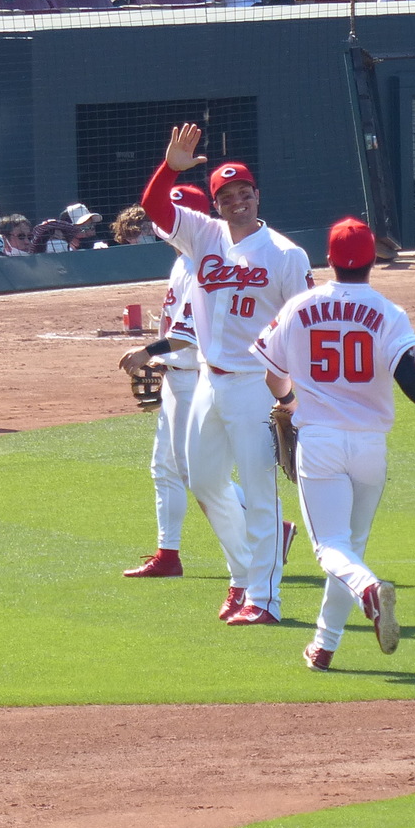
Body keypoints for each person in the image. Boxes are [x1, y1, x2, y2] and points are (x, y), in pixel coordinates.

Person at [259, 216, 415, 670]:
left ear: (330, 259)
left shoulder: (300, 306)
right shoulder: (388, 312)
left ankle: (368, 592)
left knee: (331, 551)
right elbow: (408, 375)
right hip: (370, 449)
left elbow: (272, 373)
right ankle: (324, 646)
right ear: (372, 261)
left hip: (320, 443)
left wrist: (288, 400)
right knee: (350, 547)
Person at [139, 123, 311, 625]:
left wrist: (296, 397)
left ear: (257, 196)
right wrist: (171, 165)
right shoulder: (203, 235)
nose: (237, 201)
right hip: (211, 383)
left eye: (244, 193)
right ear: (215, 204)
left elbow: (301, 326)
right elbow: (154, 207)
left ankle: (265, 600)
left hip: (258, 387)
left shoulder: (284, 253)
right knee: (205, 481)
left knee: (258, 494)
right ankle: (243, 579)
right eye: (227, 195)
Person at [116, 181, 211, 579]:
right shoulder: (181, 262)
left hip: (195, 380)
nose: (161, 226)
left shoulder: (201, 265)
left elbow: (189, 334)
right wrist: (162, 362)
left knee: (197, 474)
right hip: (178, 375)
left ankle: (276, 532)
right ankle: (168, 556)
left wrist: (148, 353)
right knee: (165, 469)